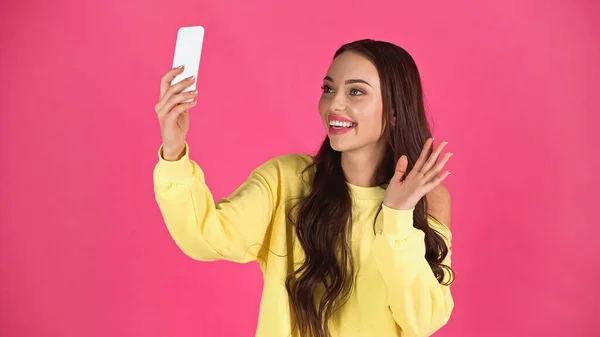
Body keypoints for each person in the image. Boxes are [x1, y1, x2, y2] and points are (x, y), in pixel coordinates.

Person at [153, 39, 454, 337]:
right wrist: (173, 150)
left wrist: (397, 216)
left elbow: (423, 320)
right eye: (328, 88)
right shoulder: (287, 179)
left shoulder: (427, 198)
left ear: (395, 111)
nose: (334, 103)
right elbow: (204, 237)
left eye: (356, 91)